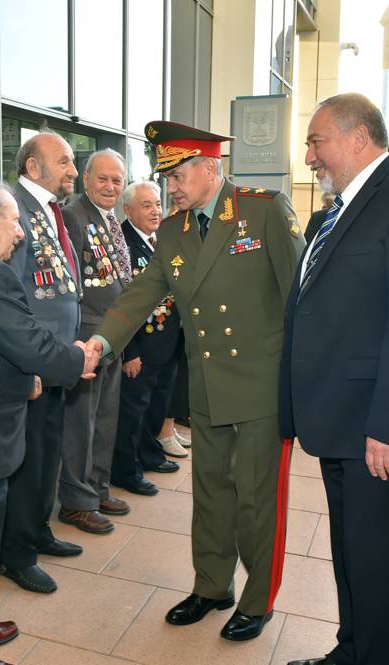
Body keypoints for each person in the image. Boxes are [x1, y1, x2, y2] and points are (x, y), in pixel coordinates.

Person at [88, 120, 304, 642]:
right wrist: (101, 343)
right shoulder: (173, 232)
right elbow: (141, 294)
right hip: (208, 386)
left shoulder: (262, 209)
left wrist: (304, 383)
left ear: (210, 168)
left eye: (180, 175)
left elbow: (301, 298)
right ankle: (212, 586)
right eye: (167, 179)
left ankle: (257, 600)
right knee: (210, 494)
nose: (172, 189)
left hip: (260, 387)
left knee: (256, 500)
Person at [280, 93, 389, 665]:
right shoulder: (332, 212)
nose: (310, 156)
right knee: (353, 553)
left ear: (357, 138)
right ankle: (351, 651)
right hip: (341, 420)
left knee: (377, 561)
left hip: (379, 427)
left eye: (316, 141)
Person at [0, 175, 98, 665]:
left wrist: (21, 372)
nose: (22, 233)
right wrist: (74, 361)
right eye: (13, 221)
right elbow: (26, 339)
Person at [0, 132, 83, 594]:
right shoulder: (14, 209)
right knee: (26, 460)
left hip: (55, 359)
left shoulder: (51, 211)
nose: (73, 170)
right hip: (31, 363)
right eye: (65, 162)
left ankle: (38, 530)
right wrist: (29, 363)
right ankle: (17, 553)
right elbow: (12, 298)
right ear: (33, 168)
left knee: (49, 452)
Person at [58, 149, 134, 534]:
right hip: (87, 334)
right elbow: (68, 281)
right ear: (87, 179)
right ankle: (76, 501)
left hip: (112, 334)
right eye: (103, 179)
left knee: (106, 418)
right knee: (81, 424)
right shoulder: (73, 216)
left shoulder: (111, 220)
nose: (110, 187)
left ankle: (98, 487)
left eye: (117, 180)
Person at [110, 180, 184, 497]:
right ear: (127, 210)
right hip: (141, 347)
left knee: (155, 406)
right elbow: (122, 303)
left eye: (157, 204)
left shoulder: (160, 240)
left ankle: (149, 455)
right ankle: (126, 471)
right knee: (131, 412)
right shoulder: (123, 243)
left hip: (166, 344)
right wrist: (130, 351)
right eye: (146, 205)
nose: (155, 211)